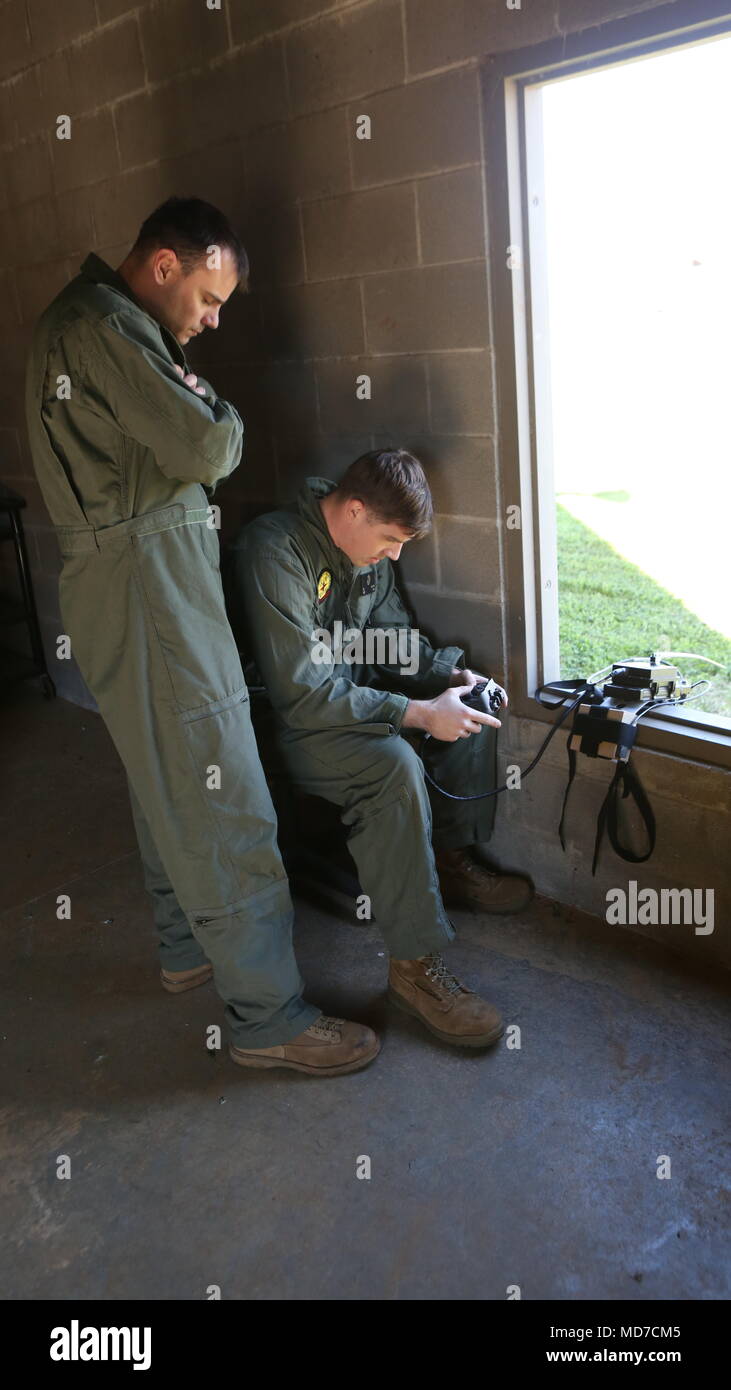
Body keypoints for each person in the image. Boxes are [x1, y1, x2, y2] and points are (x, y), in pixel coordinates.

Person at [24, 195, 380, 1078]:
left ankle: (186, 948)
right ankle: (268, 1017)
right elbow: (210, 447)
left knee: (164, 772)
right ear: (165, 265)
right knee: (225, 790)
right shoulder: (109, 327)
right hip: (151, 587)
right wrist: (214, 409)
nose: (213, 320)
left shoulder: (91, 323)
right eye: (209, 299)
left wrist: (189, 388)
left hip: (126, 578)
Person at [230, 451, 534, 1055]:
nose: (395, 554)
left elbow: (394, 641)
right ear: (354, 509)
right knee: (393, 764)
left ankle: (446, 862)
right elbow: (302, 693)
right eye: (390, 539)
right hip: (282, 722)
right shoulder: (275, 549)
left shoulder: (369, 555)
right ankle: (415, 970)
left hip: (348, 700)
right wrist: (416, 713)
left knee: (470, 705)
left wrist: (452, 677)